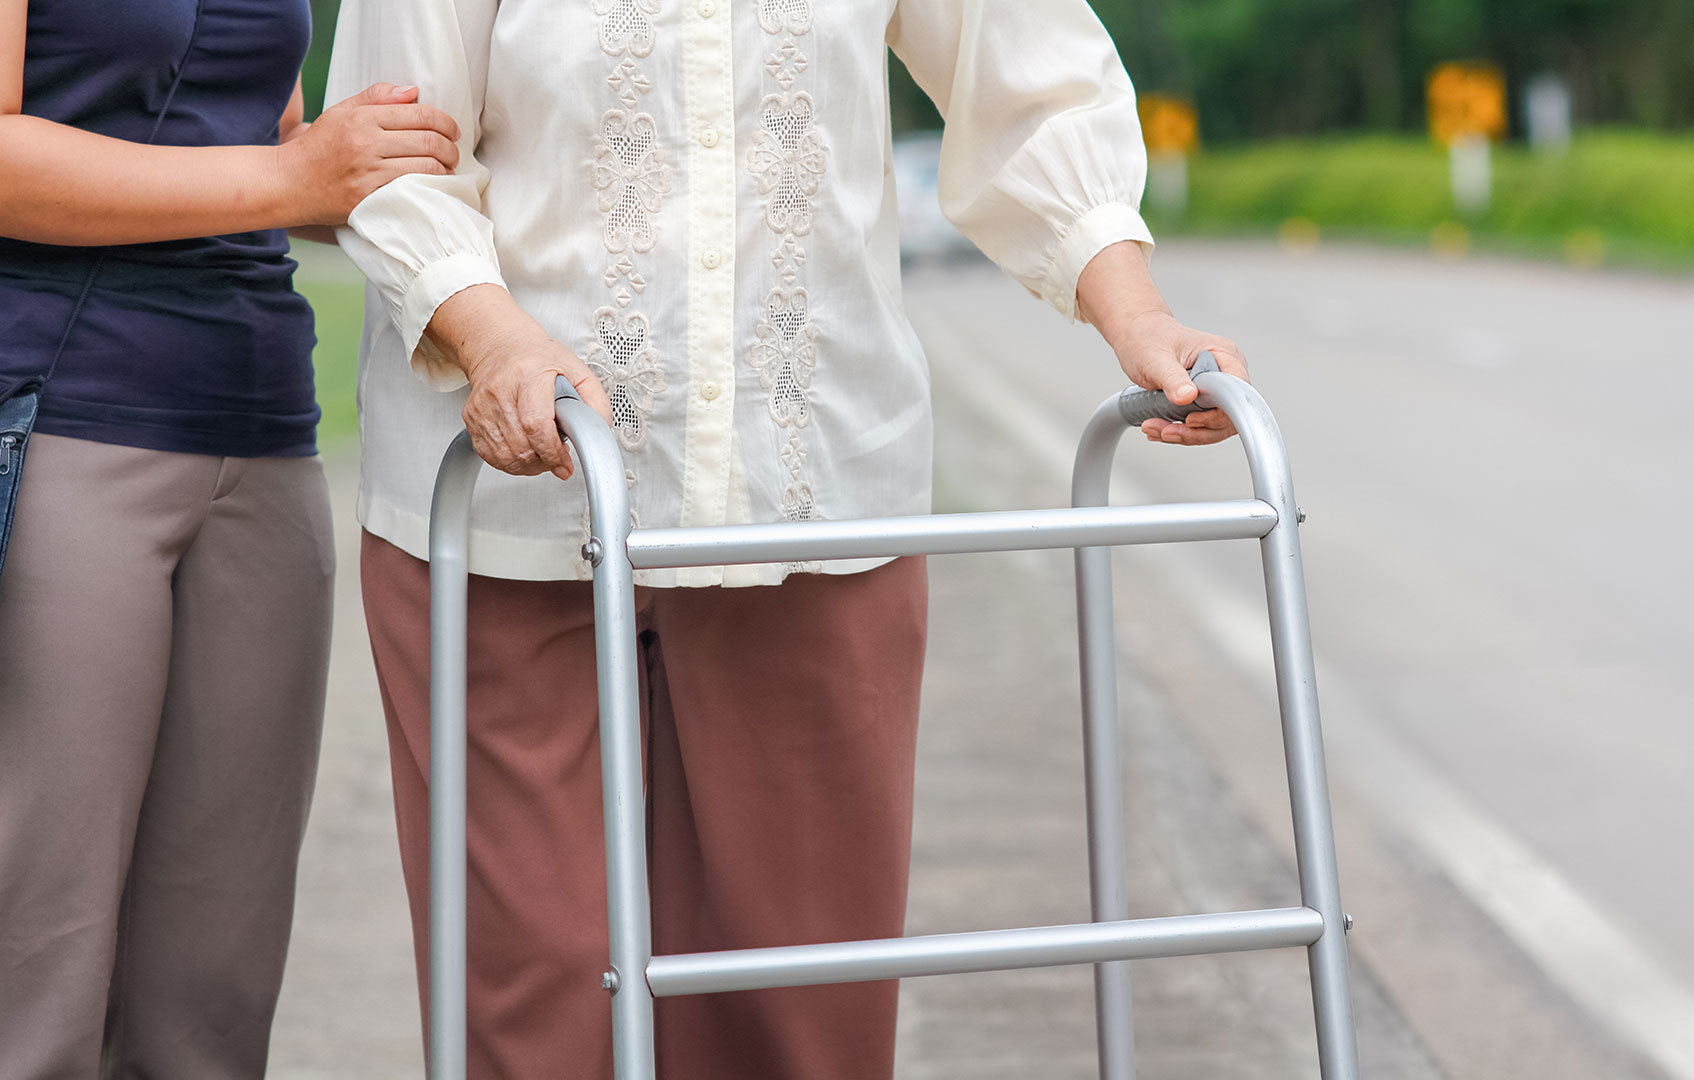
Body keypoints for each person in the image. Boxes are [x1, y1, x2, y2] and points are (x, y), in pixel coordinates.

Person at [327, 0, 1246, 1076]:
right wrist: (493, 340)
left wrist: (1134, 313)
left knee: (804, 1010)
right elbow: (392, 145)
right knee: (536, 1010)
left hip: (816, 498)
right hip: (508, 513)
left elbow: (1033, 78)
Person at [0, 1, 462, 1075]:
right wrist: (300, 178)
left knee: (213, 987)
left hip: (260, 433)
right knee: (37, 970)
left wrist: (375, 153)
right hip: (64, 415)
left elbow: (258, 137)